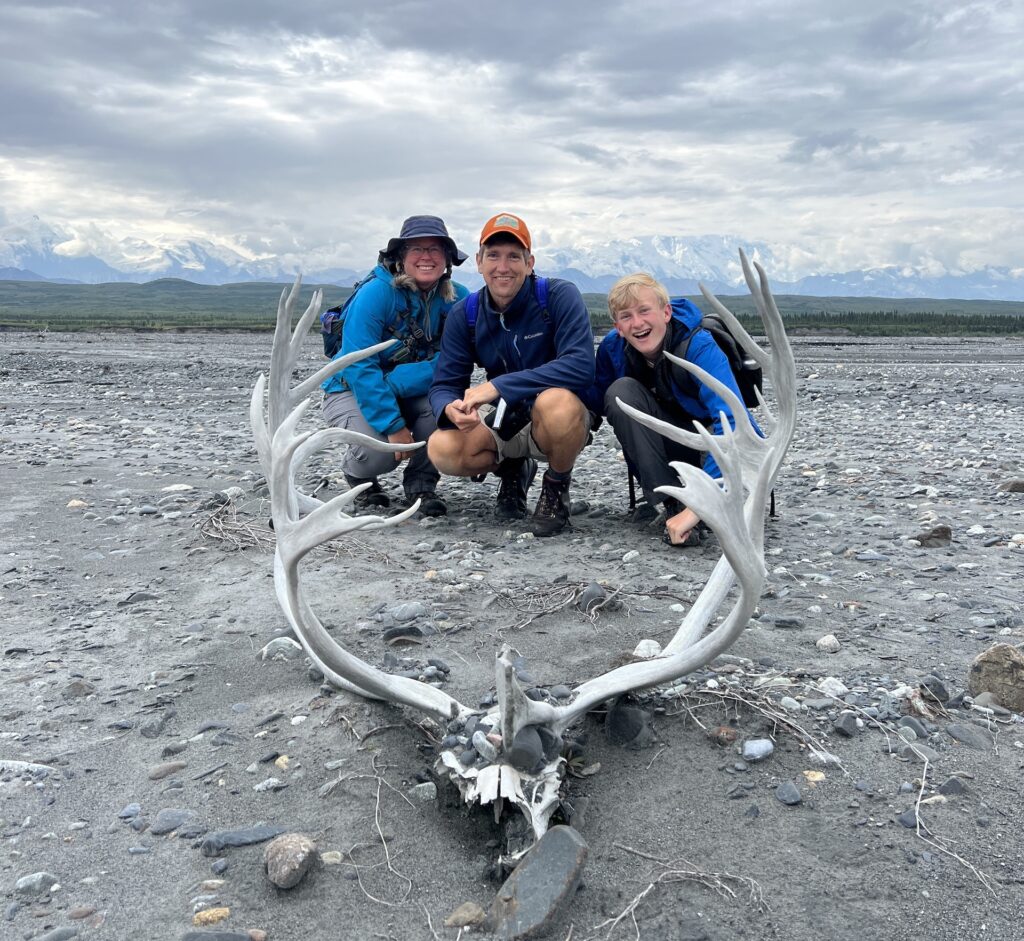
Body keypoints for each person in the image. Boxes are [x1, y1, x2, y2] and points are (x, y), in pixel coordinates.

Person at [427, 213, 595, 536]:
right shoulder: (467, 314)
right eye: (493, 255)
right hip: (508, 421)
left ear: (530, 263)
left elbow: (581, 365)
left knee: (555, 403)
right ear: (478, 261)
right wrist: (449, 408)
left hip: (559, 422)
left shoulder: (558, 297)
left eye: (514, 256)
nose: (503, 266)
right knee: (441, 448)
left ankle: (555, 487)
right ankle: (514, 470)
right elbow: (444, 384)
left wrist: (497, 386)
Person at [589, 272, 755, 546]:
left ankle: (699, 502)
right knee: (621, 393)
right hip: (664, 444)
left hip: (708, 448)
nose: (638, 323)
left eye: (645, 311)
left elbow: (734, 423)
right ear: (618, 326)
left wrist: (702, 503)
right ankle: (672, 501)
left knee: (723, 428)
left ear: (666, 312)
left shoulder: (699, 346)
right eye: (626, 316)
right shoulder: (613, 348)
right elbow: (595, 398)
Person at [321, 215, 470, 516]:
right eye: (416, 249)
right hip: (350, 389)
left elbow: (458, 361)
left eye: (435, 249)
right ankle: (360, 476)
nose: (426, 256)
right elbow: (359, 365)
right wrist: (393, 425)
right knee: (382, 453)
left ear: (447, 260)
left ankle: (421, 485)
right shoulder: (376, 294)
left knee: (444, 413)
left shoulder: (460, 300)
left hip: (407, 390)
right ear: (401, 257)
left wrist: (398, 382)